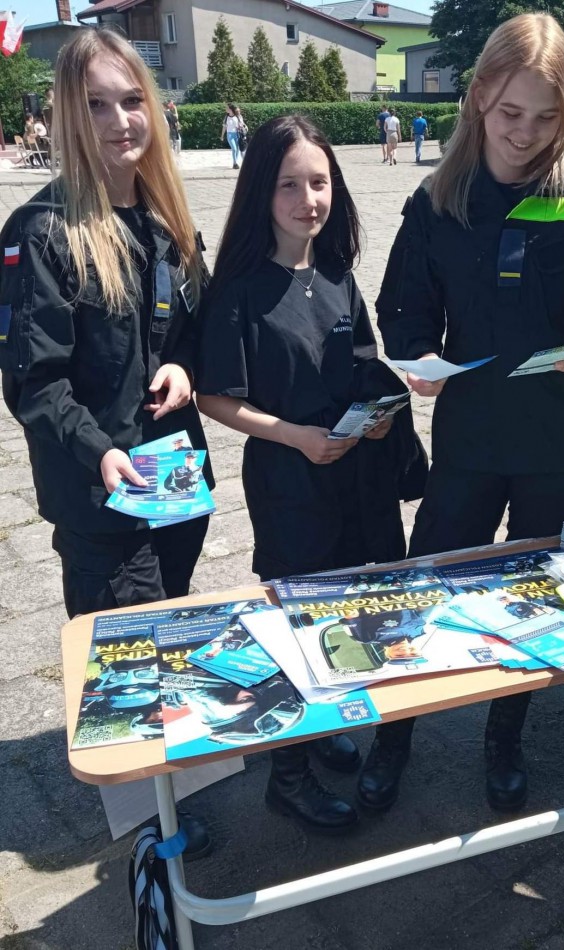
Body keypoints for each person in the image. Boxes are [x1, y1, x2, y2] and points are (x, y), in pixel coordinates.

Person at [367, 12, 564, 815]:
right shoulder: (438, 199)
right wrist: (417, 358)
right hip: (471, 436)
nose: (526, 134)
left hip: (562, 440)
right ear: (480, 97)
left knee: (536, 598)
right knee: (426, 585)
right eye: (510, 113)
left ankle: (504, 737)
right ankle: (395, 735)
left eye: (547, 117)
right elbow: (402, 307)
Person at [0, 28, 214, 857]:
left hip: (174, 480)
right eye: (96, 104)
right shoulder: (41, 231)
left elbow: (193, 330)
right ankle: (147, 823)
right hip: (102, 491)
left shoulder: (165, 219)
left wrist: (186, 368)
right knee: (122, 652)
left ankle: (169, 777)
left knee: (166, 629)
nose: (120, 121)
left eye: (131, 101)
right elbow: (34, 383)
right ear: (66, 114)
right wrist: (97, 449)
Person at [196, 115, 424, 834]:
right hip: (289, 482)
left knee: (348, 615)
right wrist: (291, 435)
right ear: (261, 193)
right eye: (289, 185)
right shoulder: (238, 289)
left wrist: (379, 416)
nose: (308, 200)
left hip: (357, 480)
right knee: (295, 622)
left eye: (319, 183)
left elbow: (363, 368)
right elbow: (215, 397)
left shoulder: (337, 275)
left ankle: (322, 725)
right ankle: (286, 779)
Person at [222, 103, 245, 169]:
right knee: (234, 149)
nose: (226, 109)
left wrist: (241, 126)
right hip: (229, 134)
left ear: (231, 109)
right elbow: (224, 127)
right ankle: (235, 163)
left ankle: (235, 163)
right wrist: (222, 135)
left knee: (237, 149)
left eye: (227, 108)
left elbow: (242, 124)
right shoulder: (226, 117)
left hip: (237, 134)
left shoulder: (237, 116)